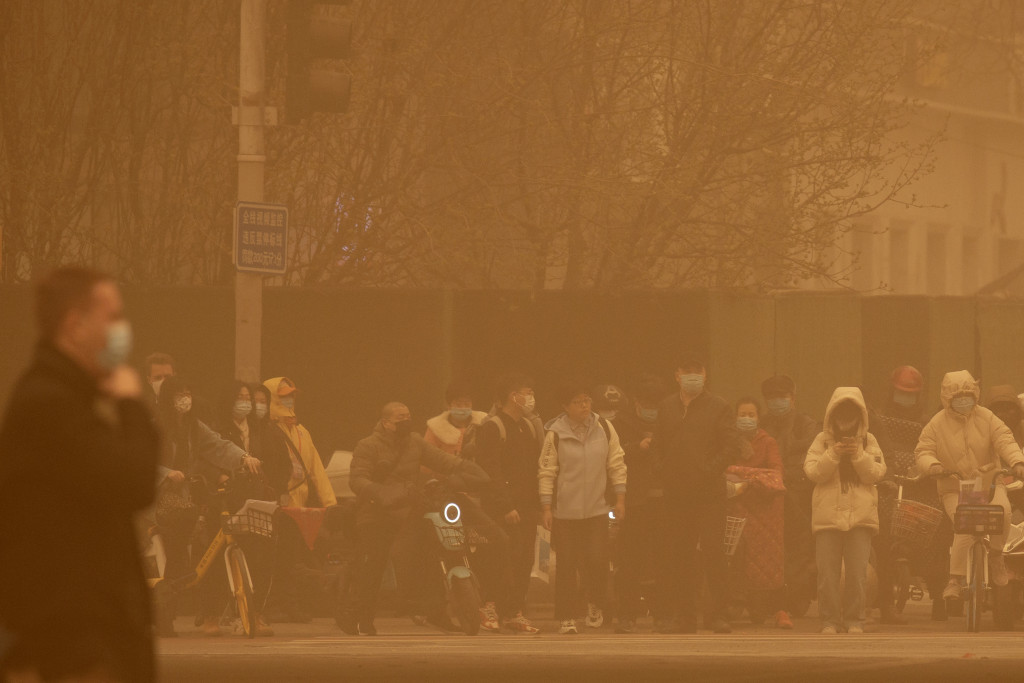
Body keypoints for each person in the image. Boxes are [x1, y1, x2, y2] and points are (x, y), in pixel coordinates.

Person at [0, 267, 160, 682]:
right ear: (75, 325)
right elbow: (135, 481)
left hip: (85, 636)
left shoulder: (62, 397)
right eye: (112, 317)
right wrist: (132, 405)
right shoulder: (51, 404)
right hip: (76, 645)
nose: (122, 330)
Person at [341, 402, 490, 635]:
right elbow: (357, 480)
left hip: (408, 509)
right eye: (400, 418)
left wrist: (468, 470)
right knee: (375, 563)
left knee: (432, 551)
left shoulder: (415, 442)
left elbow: (443, 461)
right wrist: (383, 493)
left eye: (408, 416)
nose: (406, 421)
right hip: (376, 513)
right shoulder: (368, 446)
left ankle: (435, 611)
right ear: (386, 423)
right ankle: (361, 616)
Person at [155, 375, 264, 637]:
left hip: (183, 498)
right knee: (178, 547)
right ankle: (164, 614)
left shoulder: (194, 427)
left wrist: (245, 457)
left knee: (185, 547)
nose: (185, 399)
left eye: (187, 393)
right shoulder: (154, 427)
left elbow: (219, 446)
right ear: (168, 399)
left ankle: (168, 610)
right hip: (156, 497)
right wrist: (166, 473)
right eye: (179, 394)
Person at [915, 371, 1024, 603]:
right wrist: (933, 466)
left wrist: (1017, 462)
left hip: (989, 483)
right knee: (964, 523)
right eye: (958, 398)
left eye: (968, 397)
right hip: (954, 487)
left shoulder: (988, 418)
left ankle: (997, 556)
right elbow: (923, 451)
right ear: (948, 399)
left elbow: (1005, 439)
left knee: (1004, 512)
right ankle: (955, 579)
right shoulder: (936, 424)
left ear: (976, 395)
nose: (964, 402)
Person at [657, 358, 741, 634]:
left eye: (697, 372)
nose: (692, 376)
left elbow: (730, 447)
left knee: (714, 553)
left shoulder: (719, 406)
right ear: (677, 375)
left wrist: (707, 471)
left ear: (705, 375)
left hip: (709, 494)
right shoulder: (667, 406)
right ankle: (685, 617)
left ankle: (719, 615)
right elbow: (659, 444)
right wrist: (664, 471)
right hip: (677, 495)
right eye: (687, 372)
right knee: (679, 555)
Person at [539, 384, 627, 635]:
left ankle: (595, 603)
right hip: (565, 512)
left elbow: (616, 463)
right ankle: (566, 617)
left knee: (598, 560)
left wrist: (620, 499)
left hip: (597, 509)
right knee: (566, 564)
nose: (584, 406)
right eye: (577, 402)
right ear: (565, 406)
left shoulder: (605, 428)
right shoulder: (554, 434)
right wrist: (546, 507)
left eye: (587, 400)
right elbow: (546, 471)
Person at [804, 386, 887, 635]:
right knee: (827, 575)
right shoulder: (822, 441)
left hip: (861, 517)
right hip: (827, 517)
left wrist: (857, 455)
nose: (846, 418)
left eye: (852, 412)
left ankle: (855, 620)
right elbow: (813, 472)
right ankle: (829, 621)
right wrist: (833, 454)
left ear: (861, 415)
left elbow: (876, 474)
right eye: (841, 412)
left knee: (857, 573)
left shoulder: (869, 441)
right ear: (832, 414)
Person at [870, 365, 950, 623]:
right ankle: (884, 600)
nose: (905, 398)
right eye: (901, 392)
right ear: (891, 392)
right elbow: (877, 449)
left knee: (938, 531)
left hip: (921, 486)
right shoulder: (879, 419)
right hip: (890, 486)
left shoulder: (928, 423)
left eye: (910, 394)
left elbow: (933, 450)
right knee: (882, 538)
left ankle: (939, 595)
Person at [471, 373, 544, 634]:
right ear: (513, 396)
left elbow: (535, 469)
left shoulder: (529, 426)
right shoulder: (493, 427)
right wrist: (505, 506)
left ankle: (514, 611)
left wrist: (540, 505)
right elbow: (490, 470)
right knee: (499, 559)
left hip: (526, 507)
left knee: (524, 561)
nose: (531, 397)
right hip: (501, 508)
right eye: (527, 392)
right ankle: (488, 606)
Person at [606, 376, 670, 634]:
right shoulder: (620, 424)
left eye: (656, 405)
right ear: (636, 402)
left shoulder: (670, 421)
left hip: (665, 500)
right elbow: (612, 456)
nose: (652, 410)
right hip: (634, 500)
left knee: (664, 559)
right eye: (647, 404)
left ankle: (664, 615)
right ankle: (626, 615)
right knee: (630, 559)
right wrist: (637, 447)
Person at [727, 397, 790, 629]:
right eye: (742, 414)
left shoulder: (768, 442)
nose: (746, 419)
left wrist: (740, 475)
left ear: (758, 418)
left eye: (751, 415)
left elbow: (776, 473)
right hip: (737, 510)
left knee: (767, 561)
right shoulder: (728, 441)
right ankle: (739, 602)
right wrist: (755, 475)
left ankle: (772, 608)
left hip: (765, 511)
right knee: (739, 558)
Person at [760, 374, 819, 617]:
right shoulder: (761, 424)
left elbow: (809, 458)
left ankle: (796, 597)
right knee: (768, 549)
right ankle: (769, 599)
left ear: (793, 398)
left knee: (798, 549)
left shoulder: (806, 424)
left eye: (782, 396)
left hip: (798, 496)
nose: (777, 401)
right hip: (768, 497)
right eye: (772, 397)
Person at [424, 380, 488, 456]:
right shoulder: (435, 427)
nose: (463, 408)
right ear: (448, 405)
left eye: (467, 404)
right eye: (458, 404)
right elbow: (427, 457)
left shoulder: (484, 422)